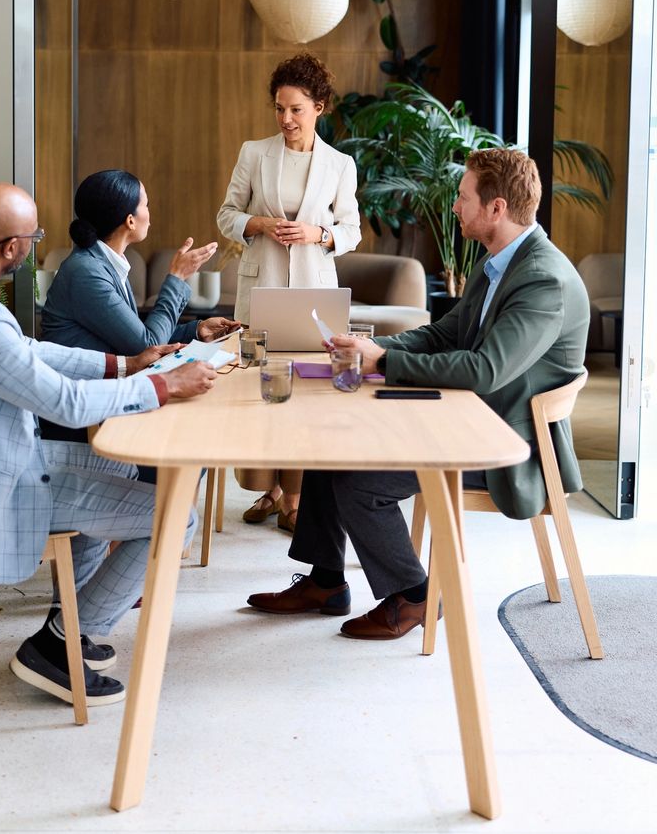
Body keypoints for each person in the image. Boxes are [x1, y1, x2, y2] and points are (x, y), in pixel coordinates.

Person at [0, 183, 217, 707]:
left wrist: (123, 364)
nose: (39, 243)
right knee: (177, 514)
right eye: (34, 236)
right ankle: (58, 643)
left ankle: (70, 625)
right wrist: (162, 385)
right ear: (12, 249)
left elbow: (26, 350)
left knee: (123, 471)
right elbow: (62, 403)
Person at [247, 148, 590, 639]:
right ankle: (325, 582)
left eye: (463, 197)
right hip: (466, 416)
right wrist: (371, 346)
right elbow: (445, 334)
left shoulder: (542, 281)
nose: (454, 206)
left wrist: (384, 362)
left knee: (359, 483)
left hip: (501, 441)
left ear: (496, 209)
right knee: (327, 448)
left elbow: (484, 371)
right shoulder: (502, 262)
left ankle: (415, 596)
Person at [217, 53, 361, 533]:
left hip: (312, 297)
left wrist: (319, 234)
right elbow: (227, 215)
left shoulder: (340, 165)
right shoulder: (254, 153)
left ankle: (295, 497)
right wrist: (257, 223)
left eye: (296, 109)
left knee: (304, 393)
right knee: (258, 389)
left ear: (319, 107)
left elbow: (352, 229)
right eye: (280, 108)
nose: (286, 119)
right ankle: (269, 488)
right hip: (259, 293)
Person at [40, 169, 239, 467]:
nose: (150, 212)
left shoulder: (103, 263)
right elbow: (144, 344)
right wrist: (176, 278)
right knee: (189, 450)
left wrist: (195, 331)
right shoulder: (87, 273)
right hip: (84, 415)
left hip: (108, 394)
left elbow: (137, 341)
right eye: (145, 204)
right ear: (130, 220)